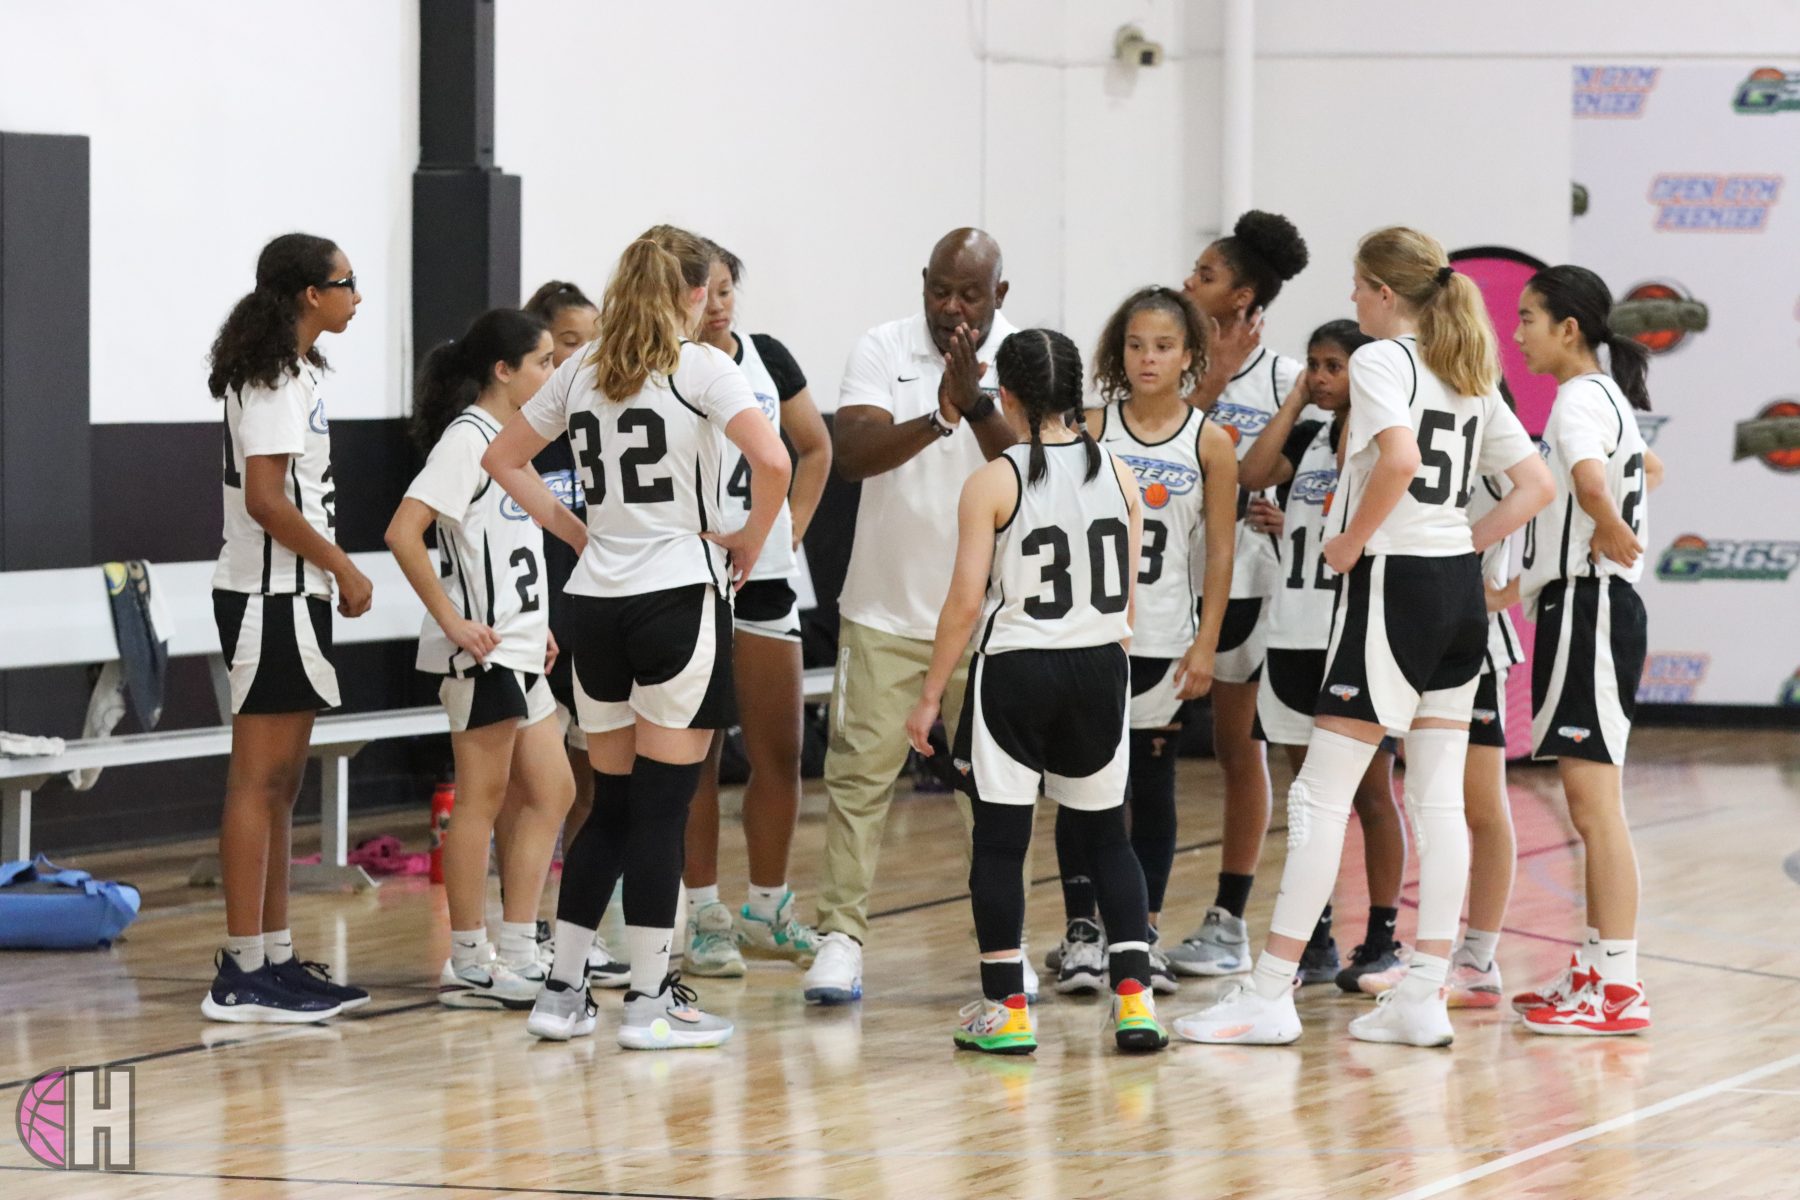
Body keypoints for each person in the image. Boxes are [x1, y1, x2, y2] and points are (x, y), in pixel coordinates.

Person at [1175, 226, 1553, 1048]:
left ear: (1385, 293)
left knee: (1319, 794)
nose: (1350, 298)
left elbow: (1400, 461)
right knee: (1437, 798)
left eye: (1357, 285)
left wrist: (1352, 540)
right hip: (1457, 597)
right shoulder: (1468, 371)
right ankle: (1422, 994)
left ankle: (1269, 992)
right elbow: (1535, 485)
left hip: (1395, 588)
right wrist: (1464, 542)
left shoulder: (1386, 361)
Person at [483, 226, 791, 1050]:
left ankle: (561, 993)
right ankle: (650, 1001)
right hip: (676, 598)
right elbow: (775, 463)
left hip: (594, 605)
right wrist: (750, 540)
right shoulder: (704, 368)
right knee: (662, 808)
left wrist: (576, 533)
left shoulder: (583, 368)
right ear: (692, 293)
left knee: (612, 807)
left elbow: (504, 460)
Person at [906, 328, 1165, 1054]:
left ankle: (1008, 1010)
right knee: (1107, 838)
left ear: (1007, 395)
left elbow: (965, 603)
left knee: (999, 842)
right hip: (1100, 664)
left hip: (1018, 669)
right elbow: (1129, 597)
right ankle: (1136, 1001)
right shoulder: (1120, 472)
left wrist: (930, 696)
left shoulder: (994, 479)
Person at [803, 228, 1029, 1007]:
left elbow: (1033, 467)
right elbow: (853, 454)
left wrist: (977, 405)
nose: (951, 307)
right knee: (855, 783)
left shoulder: (1024, 356)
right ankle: (839, 939)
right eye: (940, 289)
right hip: (884, 610)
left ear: (1000, 294)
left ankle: (1005, 945)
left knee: (993, 794)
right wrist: (938, 416)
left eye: (970, 294)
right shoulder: (881, 347)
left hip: (991, 620)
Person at [202, 233, 372, 1022]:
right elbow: (267, 501)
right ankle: (241, 969)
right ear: (311, 293)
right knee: (257, 781)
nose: (356, 296)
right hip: (269, 596)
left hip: (292, 596)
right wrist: (342, 566)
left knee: (282, 786)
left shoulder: (296, 370)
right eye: (346, 282)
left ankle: (273, 956)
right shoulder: (271, 375)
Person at [384, 308, 574, 1009]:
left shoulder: (512, 440)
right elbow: (403, 532)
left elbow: (516, 544)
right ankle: (466, 960)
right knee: (481, 801)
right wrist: (452, 621)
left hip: (521, 647)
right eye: (543, 362)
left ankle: (519, 946)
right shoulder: (467, 438)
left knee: (552, 791)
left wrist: (537, 625)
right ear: (503, 370)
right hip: (484, 654)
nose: (553, 373)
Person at [1050, 286, 1236, 998]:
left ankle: (1144, 931)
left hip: (1164, 637)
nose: (1147, 358)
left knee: (1151, 788)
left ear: (1189, 355)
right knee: (1082, 788)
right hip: (1091, 636)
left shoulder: (1209, 442)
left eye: (1162, 346)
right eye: (1135, 345)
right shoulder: (1090, 429)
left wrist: (1206, 642)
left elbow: (1220, 552)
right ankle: (1083, 933)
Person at [1505, 264, 1663, 1036]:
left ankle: (1619, 986)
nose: (1517, 333)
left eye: (1528, 318)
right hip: (1585, 604)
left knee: (1597, 807)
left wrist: (1607, 521)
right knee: (1588, 804)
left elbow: (1594, 479)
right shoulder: (1606, 398)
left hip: (1591, 606)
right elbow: (1649, 468)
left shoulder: (1577, 399)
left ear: (1569, 328)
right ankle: (1599, 969)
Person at [1235, 319, 1409, 993]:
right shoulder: (1307, 434)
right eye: (1313, 364)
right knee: (1308, 800)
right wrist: (1294, 400)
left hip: (1350, 636)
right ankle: (1316, 938)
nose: (1320, 376)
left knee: (1371, 794)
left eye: (1334, 365)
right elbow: (1252, 473)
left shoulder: (1380, 441)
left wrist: (1355, 406)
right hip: (1291, 634)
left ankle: (1384, 938)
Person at [679, 241, 834, 977]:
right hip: (695, 576)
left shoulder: (767, 357)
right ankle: (704, 914)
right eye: (704, 291)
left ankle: (767, 909)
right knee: (698, 757)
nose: (717, 304)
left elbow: (816, 447)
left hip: (765, 577)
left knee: (780, 752)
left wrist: (792, 522)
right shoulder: (668, 367)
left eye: (726, 289)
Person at [1168, 211, 1311, 977]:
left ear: (1243, 296)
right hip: (1164, 579)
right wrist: (1212, 379)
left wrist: (1289, 508)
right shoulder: (1165, 361)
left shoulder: (1290, 380)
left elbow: (1311, 481)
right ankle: (1127, 922)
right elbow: (1156, 454)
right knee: (1148, 751)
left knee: (1245, 748)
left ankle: (1235, 919)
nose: (1188, 282)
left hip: (1250, 583)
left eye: (1206, 274)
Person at [514, 280, 627, 988]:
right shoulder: (520, 438)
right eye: (567, 343)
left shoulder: (602, 424)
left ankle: (572, 929)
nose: (582, 355)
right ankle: (516, 926)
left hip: (594, 625)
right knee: (530, 793)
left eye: (593, 340)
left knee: (590, 790)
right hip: (535, 634)